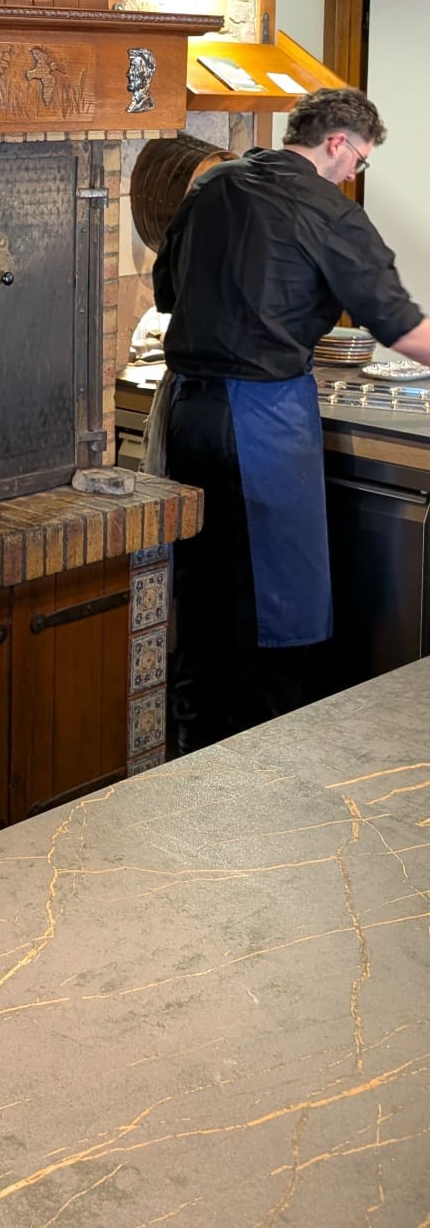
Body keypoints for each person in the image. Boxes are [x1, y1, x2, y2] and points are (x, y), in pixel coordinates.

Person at [152, 87, 430, 753]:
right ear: (337, 142)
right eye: (358, 159)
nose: (355, 174)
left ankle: (189, 753)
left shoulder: (211, 188)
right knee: (279, 598)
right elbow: (404, 329)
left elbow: (166, 290)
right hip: (262, 418)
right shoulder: (328, 213)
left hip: (187, 409)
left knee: (203, 585)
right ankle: (266, 758)